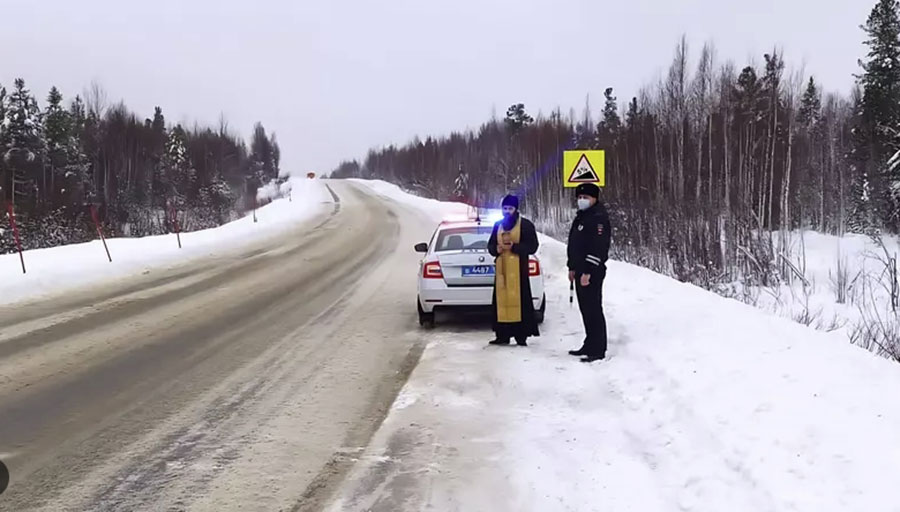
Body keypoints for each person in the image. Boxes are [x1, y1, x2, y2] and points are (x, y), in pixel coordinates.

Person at [567, 183, 611, 363]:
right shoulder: (582, 217)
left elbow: (598, 247)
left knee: (593, 308)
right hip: (579, 270)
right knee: (585, 309)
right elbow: (575, 244)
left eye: (586, 197)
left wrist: (587, 271)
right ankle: (589, 342)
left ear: (594, 199)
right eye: (579, 197)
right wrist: (572, 267)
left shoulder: (598, 218)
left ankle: (598, 348)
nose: (582, 201)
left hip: (591, 272)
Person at [488, 194, 540, 346]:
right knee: (501, 302)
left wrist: (516, 247)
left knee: (521, 302)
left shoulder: (525, 225)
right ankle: (502, 335)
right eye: (504, 208)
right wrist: (495, 249)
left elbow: (533, 246)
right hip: (502, 271)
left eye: (510, 208)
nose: (507, 211)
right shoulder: (497, 225)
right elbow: (490, 245)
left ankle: (521, 335)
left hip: (519, 271)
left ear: (516, 209)